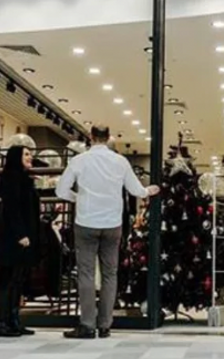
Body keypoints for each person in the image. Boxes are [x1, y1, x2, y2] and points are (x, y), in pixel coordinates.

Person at [56, 125, 160, 340]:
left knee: (86, 274)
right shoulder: (120, 161)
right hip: (112, 224)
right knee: (110, 274)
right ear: (108, 138)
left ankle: (87, 325)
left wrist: (78, 198)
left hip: (86, 222)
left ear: (91, 137)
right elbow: (136, 190)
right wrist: (148, 191)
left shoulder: (79, 160)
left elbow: (61, 190)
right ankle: (105, 325)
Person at [0, 146, 41, 338]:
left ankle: (13, 320)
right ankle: (2, 322)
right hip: (12, 238)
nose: (30, 157)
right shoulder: (11, 178)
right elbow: (12, 207)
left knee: (18, 278)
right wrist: (21, 234)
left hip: (22, 236)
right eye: (26, 154)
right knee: (8, 278)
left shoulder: (23, 178)